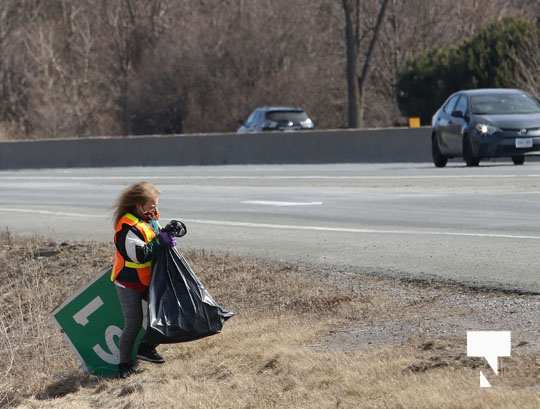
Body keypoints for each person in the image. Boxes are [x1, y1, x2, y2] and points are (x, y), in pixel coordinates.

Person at [111, 181, 176, 378]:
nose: (155, 209)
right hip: (128, 282)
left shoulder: (149, 219)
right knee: (134, 323)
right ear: (138, 205)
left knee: (164, 312)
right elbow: (138, 255)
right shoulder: (125, 226)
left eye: (156, 204)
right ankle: (124, 366)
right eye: (151, 205)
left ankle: (146, 348)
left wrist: (167, 232)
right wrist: (159, 242)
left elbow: (155, 236)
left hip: (147, 279)